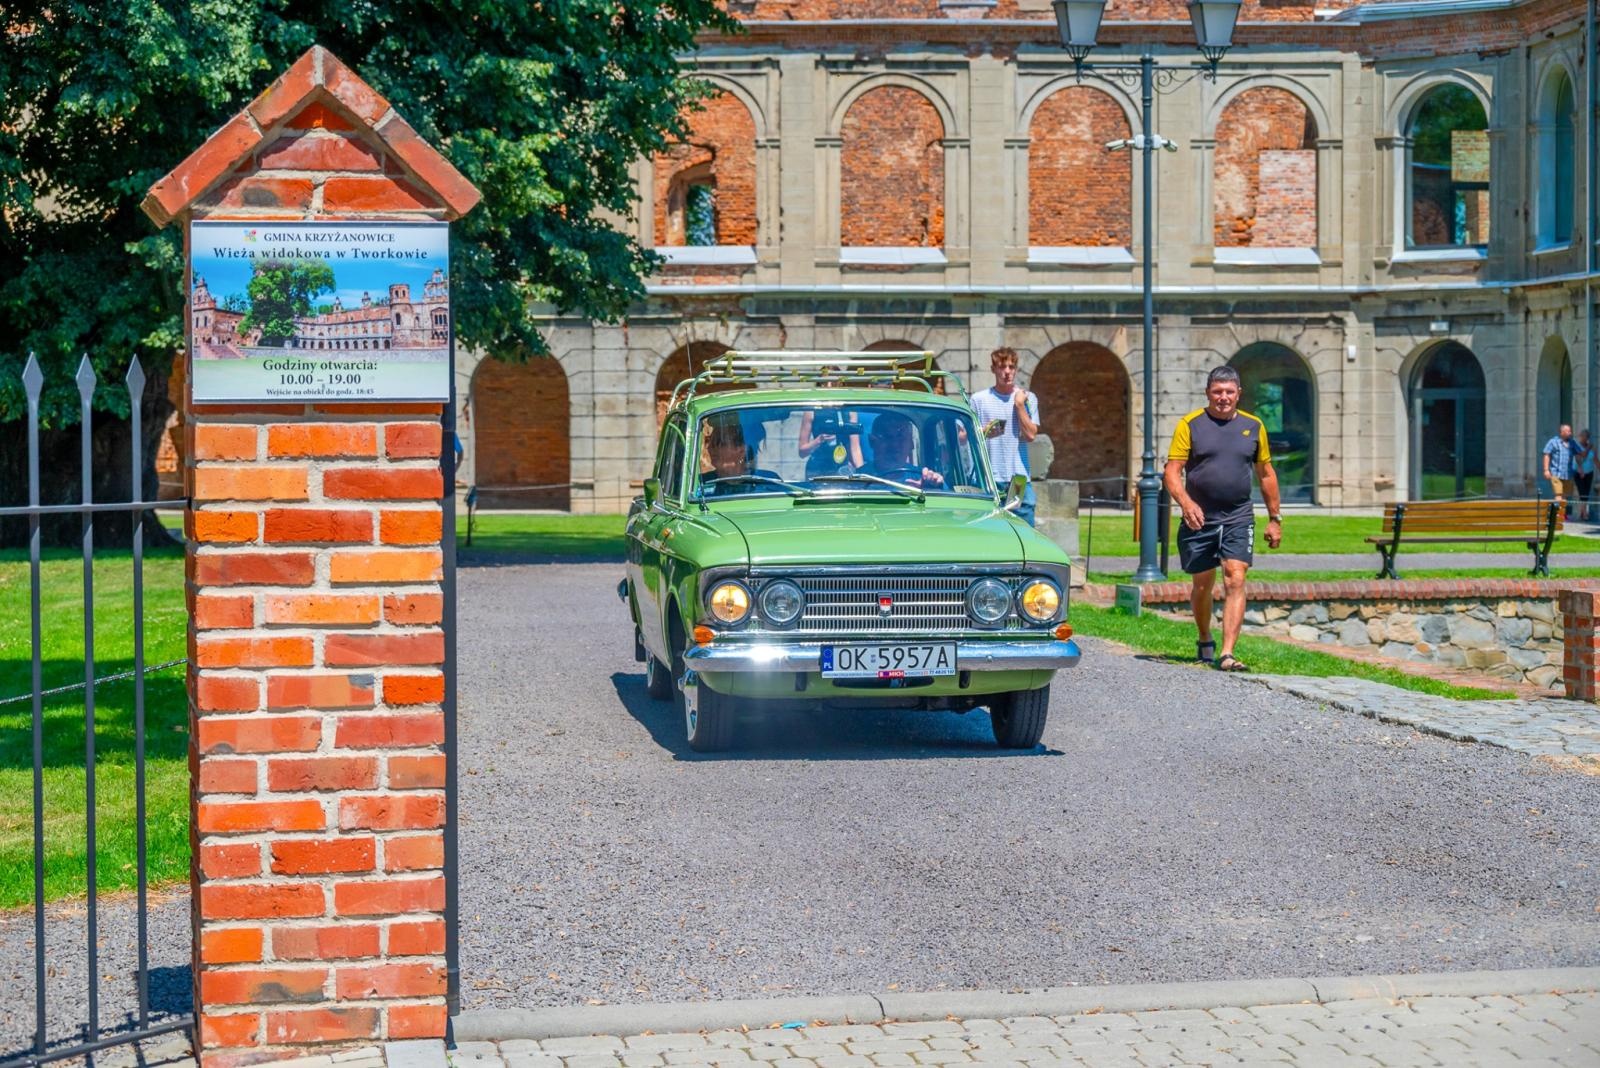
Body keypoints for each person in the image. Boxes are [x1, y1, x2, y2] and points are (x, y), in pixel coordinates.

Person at [1163, 365, 1283, 672]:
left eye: (1229, 392)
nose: (1223, 398)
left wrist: (1274, 517)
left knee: (1236, 577)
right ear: (1208, 393)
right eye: (1217, 392)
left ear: (1239, 394)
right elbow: (1172, 472)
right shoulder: (1190, 424)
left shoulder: (1254, 426)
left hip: (1239, 516)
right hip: (1199, 516)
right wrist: (1186, 503)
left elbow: (1266, 473)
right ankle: (1205, 637)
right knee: (1202, 584)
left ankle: (1228, 653)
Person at [969, 347, 1039, 525]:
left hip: (1018, 478)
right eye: (1002, 367)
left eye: (1011, 367)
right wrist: (984, 432)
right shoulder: (979, 399)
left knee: (1024, 529)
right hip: (988, 478)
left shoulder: (1028, 398)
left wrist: (1019, 405)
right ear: (993, 369)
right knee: (989, 530)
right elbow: (963, 437)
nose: (1007, 372)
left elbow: (1031, 435)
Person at [866, 411, 944, 488]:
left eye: (901, 437)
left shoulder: (924, 478)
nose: (894, 445)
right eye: (886, 437)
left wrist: (932, 488)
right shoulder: (856, 481)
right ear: (872, 442)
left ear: (911, 444)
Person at [1542, 423, 1575, 517]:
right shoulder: (1553, 442)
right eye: (1568, 431)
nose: (1570, 433)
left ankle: (1562, 515)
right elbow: (1546, 454)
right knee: (1558, 494)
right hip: (1556, 472)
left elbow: (1579, 454)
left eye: (1570, 431)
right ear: (1562, 432)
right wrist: (1546, 470)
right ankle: (1556, 515)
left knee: (1564, 496)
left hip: (1568, 473)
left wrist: (1580, 467)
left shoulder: (1572, 443)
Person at [1576, 429, 1595, 522]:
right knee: (1582, 492)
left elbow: (1595, 459)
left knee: (1585, 494)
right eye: (1582, 436)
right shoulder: (1576, 446)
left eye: (1586, 436)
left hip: (1590, 472)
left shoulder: (1592, 447)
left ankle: (1582, 512)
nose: (1584, 438)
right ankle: (1584, 514)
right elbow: (1582, 456)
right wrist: (1581, 470)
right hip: (1579, 472)